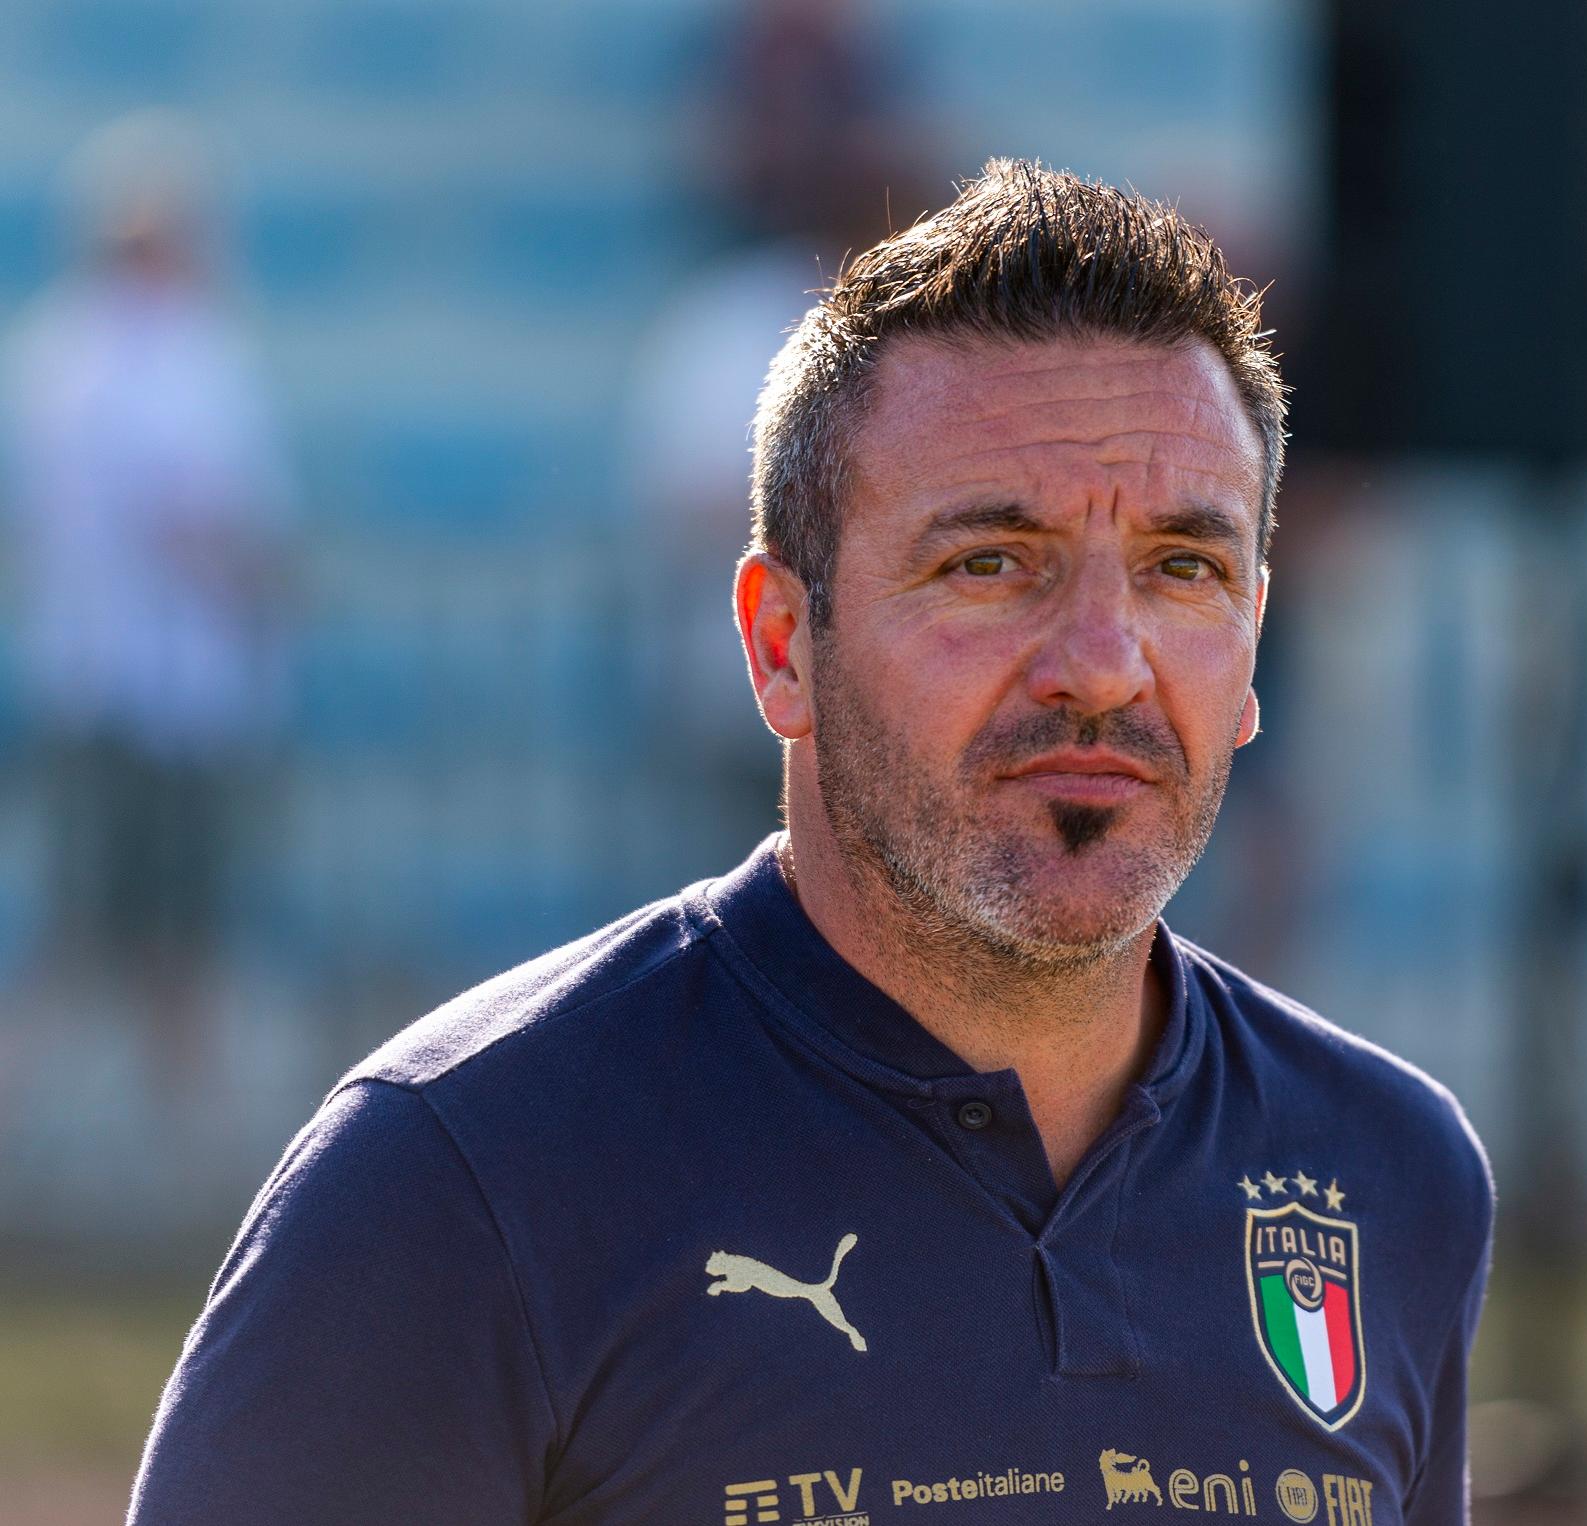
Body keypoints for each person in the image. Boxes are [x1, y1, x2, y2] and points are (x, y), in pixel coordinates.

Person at [130, 161, 1494, 1524]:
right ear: (783, 645)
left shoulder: (1389, 1171)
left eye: (1179, 567)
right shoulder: (458, 1181)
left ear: (1254, 640)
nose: (1103, 664)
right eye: (991, 562)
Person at [0, 111, 291, 1089]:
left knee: (91, 924)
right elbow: (202, 523)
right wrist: (268, 589)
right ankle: (190, 1151)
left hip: (89, 668)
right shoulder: (177, 357)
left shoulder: (51, 352)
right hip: (168, 684)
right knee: (171, 933)